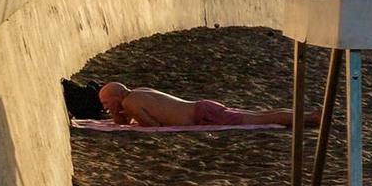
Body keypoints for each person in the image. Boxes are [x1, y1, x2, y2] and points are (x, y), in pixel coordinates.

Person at [97, 82, 309, 128]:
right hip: (202, 107)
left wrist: (116, 113)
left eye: (107, 102)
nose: (105, 106)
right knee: (261, 114)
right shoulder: (138, 92)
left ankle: (311, 118)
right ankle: (307, 115)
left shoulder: (130, 103)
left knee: (262, 119)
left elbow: (150, 125)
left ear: (116, 97)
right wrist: (118, 112)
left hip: (202, 115)